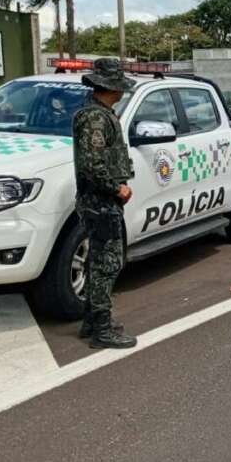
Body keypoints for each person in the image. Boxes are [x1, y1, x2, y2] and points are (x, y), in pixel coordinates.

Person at [72, 58, 137, 349]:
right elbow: (92, 163)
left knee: (99, 260)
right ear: (110, 87)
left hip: (99, 201)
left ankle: (91, 321)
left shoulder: (99, 113)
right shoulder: (96, 118)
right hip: (100, 200)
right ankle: (102, 329)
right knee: (106, 264)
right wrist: (117, 188)